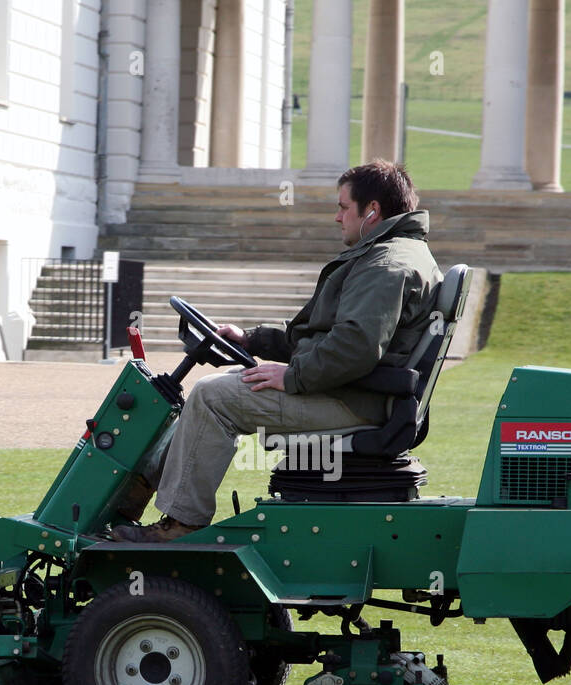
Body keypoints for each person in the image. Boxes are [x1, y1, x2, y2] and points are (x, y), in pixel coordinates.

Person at [112, 159, 442, 543]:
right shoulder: (389, 253)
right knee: (218, 389)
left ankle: (181, 523)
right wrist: (250, 339)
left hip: (356, 401)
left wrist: (291, 376)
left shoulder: (387, 264)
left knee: (213, 396)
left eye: (343, 207)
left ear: (372, 211)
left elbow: (355, 346)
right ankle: (134, 495)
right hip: (358, 393)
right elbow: (319, 334)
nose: (337, 218)